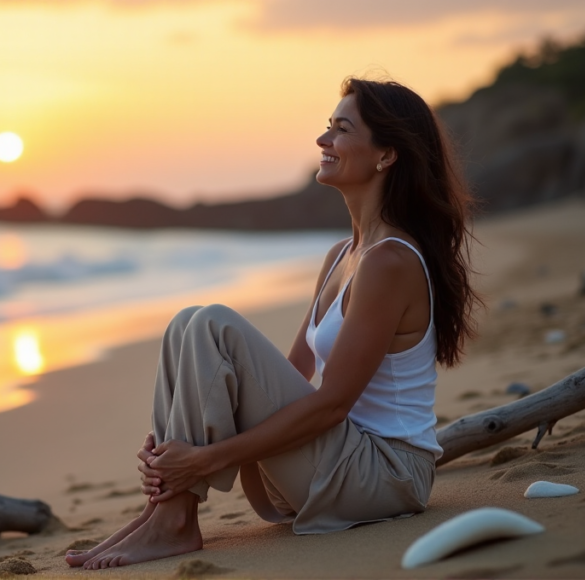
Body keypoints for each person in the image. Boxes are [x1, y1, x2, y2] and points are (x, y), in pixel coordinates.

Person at [66, 77, 480, 569]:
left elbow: (330, 404)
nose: (323, 141)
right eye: (328, 127)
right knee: (187, 325)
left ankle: (173, 520)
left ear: (386, 155)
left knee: (214, 324)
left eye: (341, 130)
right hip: (331, 465)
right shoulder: (342, 257)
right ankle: (163, 506)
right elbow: (283, 379)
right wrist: (178, 438)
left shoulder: (390, 262)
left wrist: (205, 460)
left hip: (387, 476)